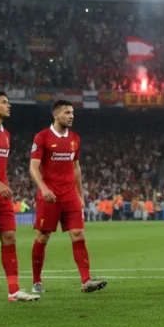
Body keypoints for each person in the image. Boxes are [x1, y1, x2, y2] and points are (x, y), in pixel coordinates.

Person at [30, 100, 107, 294]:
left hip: (70, 195)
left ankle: (86, 280)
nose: (71, 116)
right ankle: (37, 280)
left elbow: (76, 169)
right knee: (43, 236)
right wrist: (43, 188)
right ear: (56, 115)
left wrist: (81, 195)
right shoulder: (42, 137)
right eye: (67, 113)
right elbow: (33, 168)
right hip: (49, 197)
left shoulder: (75, 138)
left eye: (72, 112)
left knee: (78, 234)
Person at [0, 91, 40, 301]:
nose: (9, 105)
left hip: (2, 196)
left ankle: (14, 290)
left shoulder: (6, 134)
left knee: (10, 237)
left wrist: (1, 184)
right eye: (4, 102)